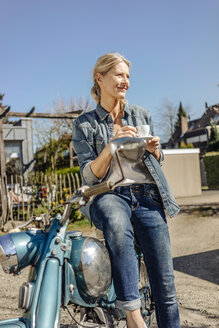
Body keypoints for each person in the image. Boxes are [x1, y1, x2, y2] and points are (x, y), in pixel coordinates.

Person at [72, 53, 181, 328]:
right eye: (119, 75)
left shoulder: (140, 114)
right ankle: (133, 315)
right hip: (108, 195)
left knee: (165, 284)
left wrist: (156, 152)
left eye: (128, 76)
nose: (126, 82)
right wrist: (110, 146)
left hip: (146, 195)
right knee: (117, 222)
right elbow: (89, 174)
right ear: (100, 78)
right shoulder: (85, 124)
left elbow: (155, 162)